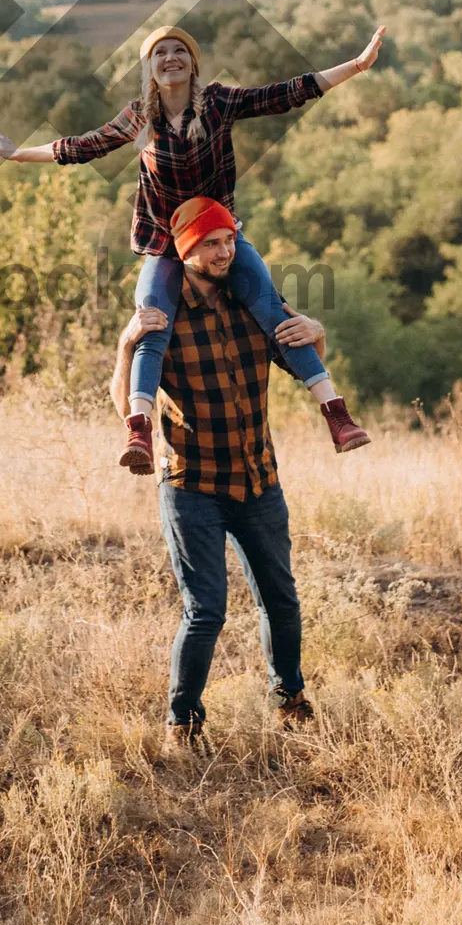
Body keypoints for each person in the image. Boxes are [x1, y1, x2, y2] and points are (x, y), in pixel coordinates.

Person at [0, 20, 383, 470]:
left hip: (218, 232)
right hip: (166, 243)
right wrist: (20, 154)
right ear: (149, 67)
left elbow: (286, 92)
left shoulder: (218, 102)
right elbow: (82, 147)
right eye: (160, 52)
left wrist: (356, 65)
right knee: (150, 324)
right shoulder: (139, 117)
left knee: (277, 315)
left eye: (179, 50)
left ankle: (337, 415)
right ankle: (139, 427)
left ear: (193, 63)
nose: (170, 58)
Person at [109, 196, 329, 747]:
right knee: (205, 610)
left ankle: (291, 699)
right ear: (185, 250)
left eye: (229, 240)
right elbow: (125, 402)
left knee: (280, 598)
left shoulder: (254, 304)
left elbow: (302, 360)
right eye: (211, 244)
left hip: (257, 478)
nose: (224, 251)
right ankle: (182, 723)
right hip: (192, 485)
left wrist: (318, 331)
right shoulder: (161, 316)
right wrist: (124, 345)